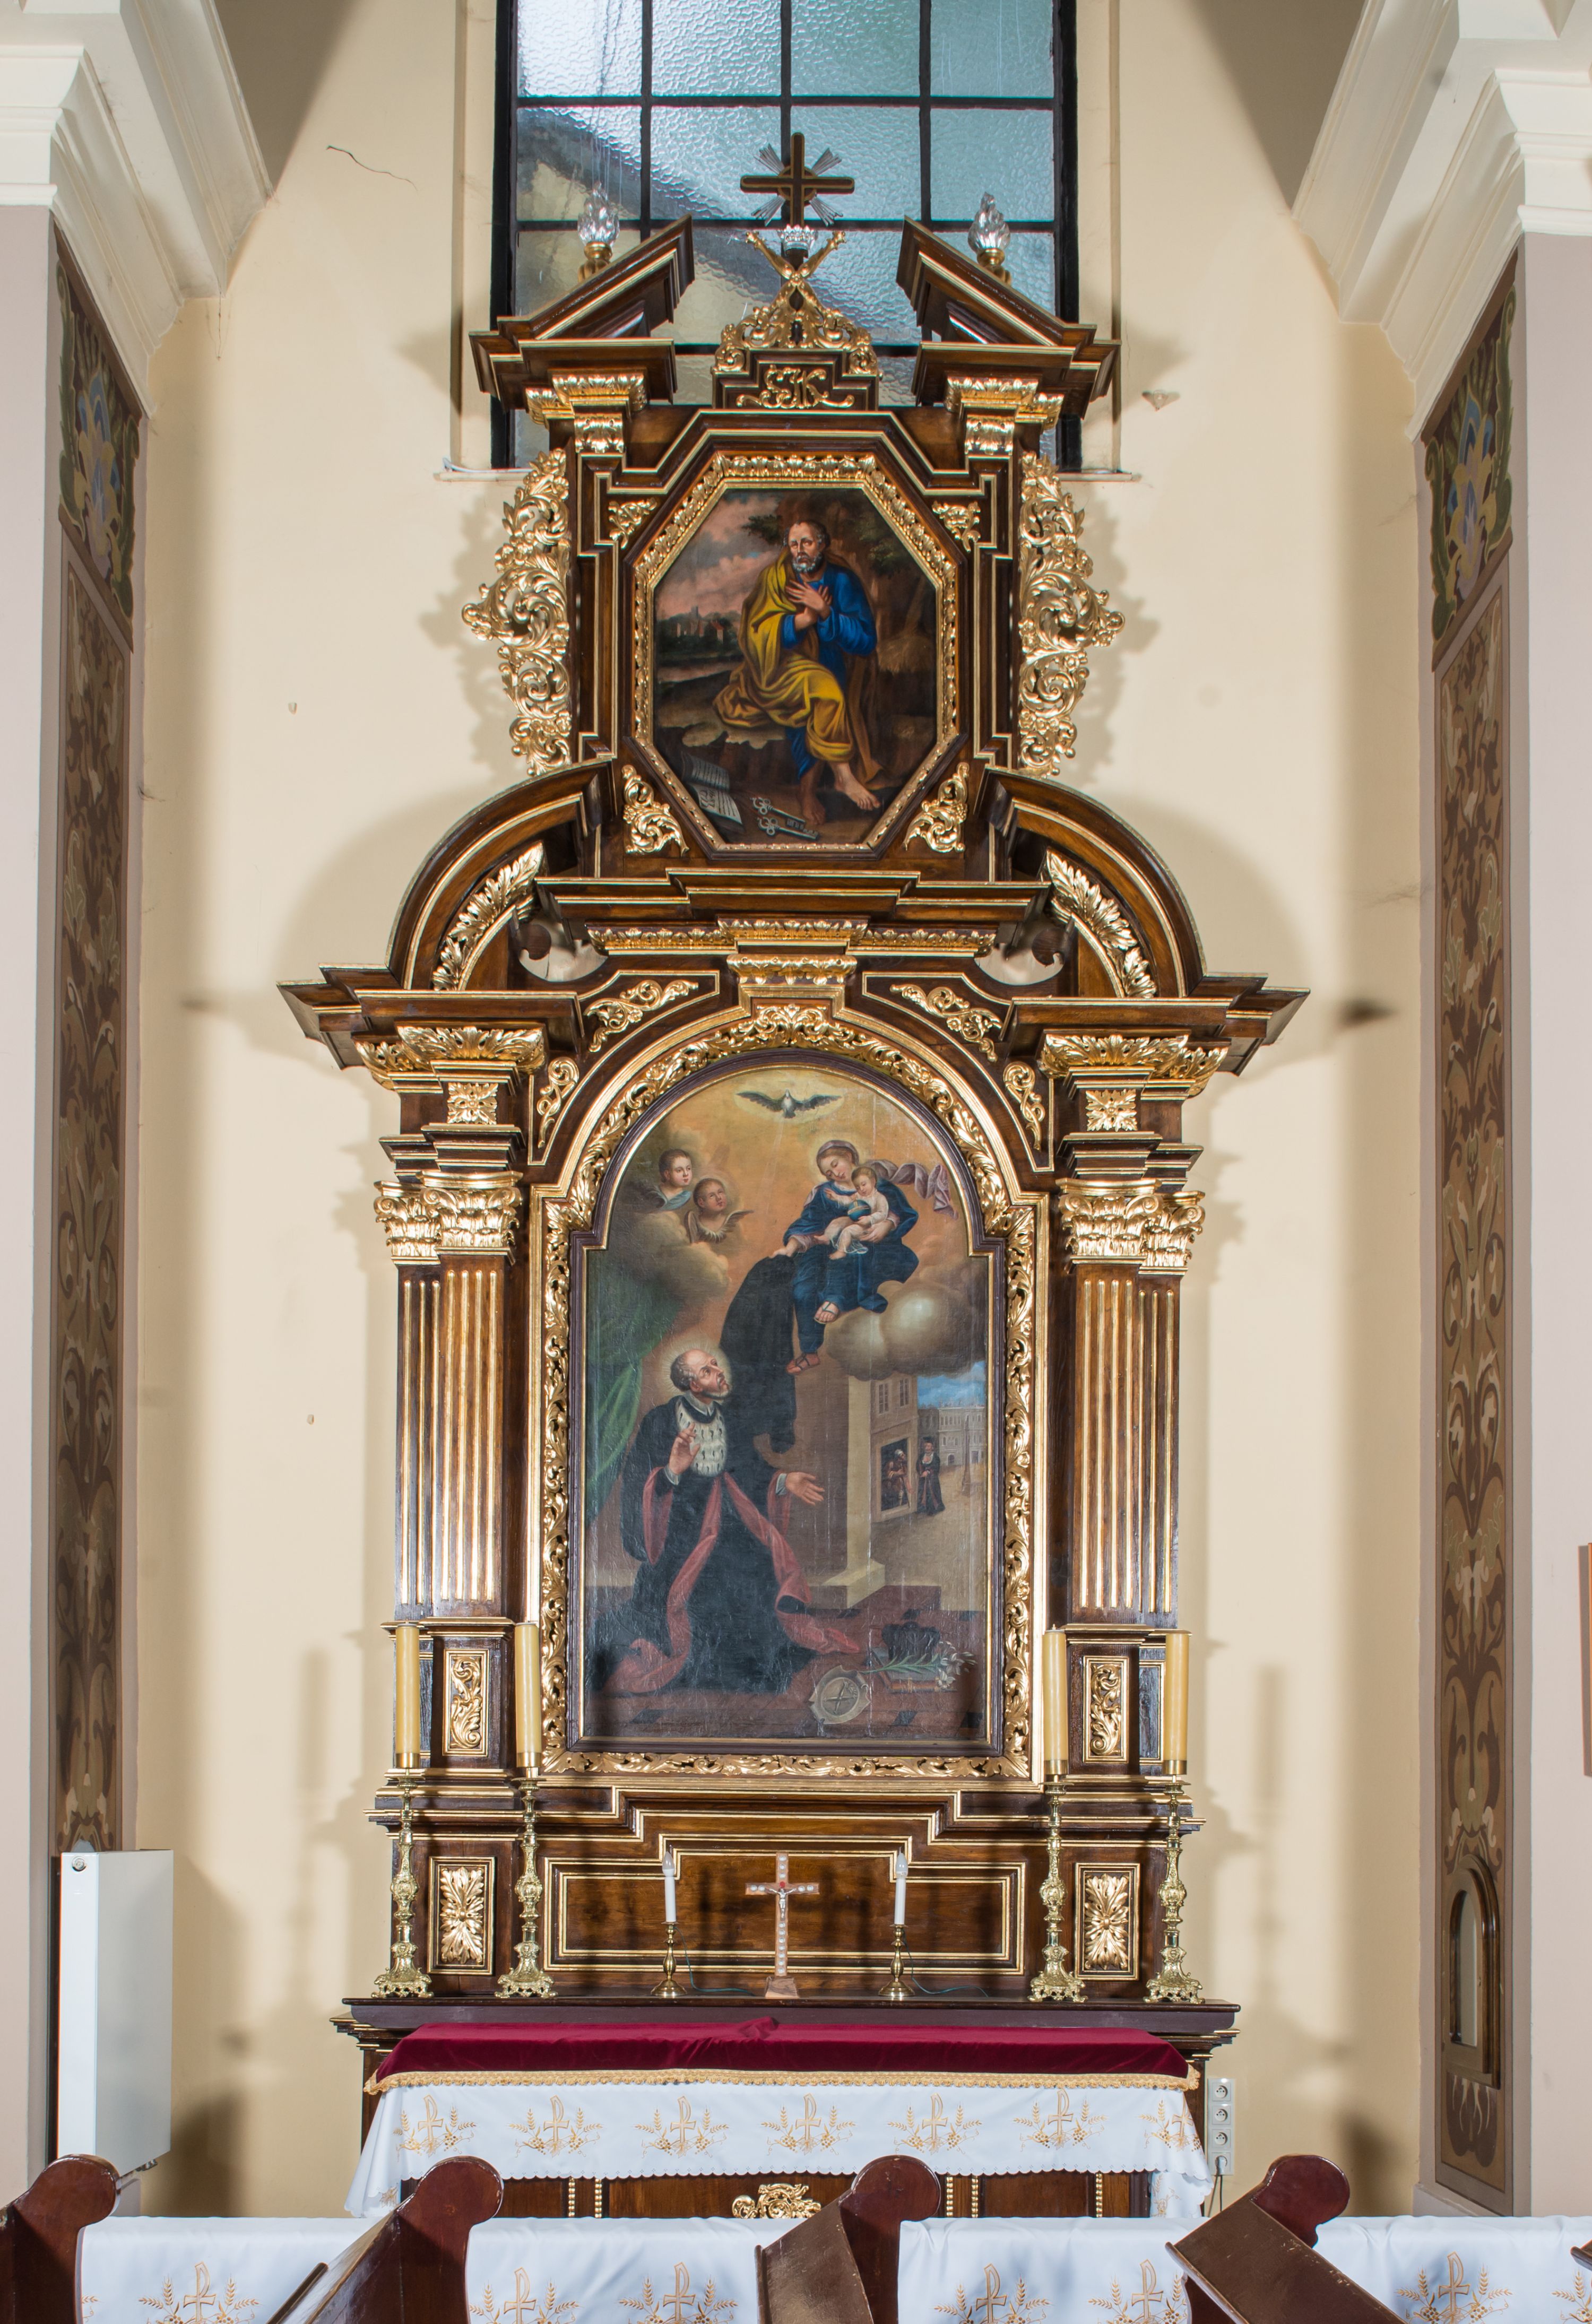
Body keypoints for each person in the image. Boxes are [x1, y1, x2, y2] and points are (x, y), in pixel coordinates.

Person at [607, 1348, 855, 1696]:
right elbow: (640, 1485)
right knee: (701, 1591)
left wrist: (785, 1481)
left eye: (715, 1364)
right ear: (693, 1384)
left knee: (756, 1571)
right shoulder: (660, 1422)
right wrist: (672, 1472)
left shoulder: (729, 1420)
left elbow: (751, 1470)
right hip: (681, 1536)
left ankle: (754, 1661)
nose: (718, 1371)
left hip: (731, 1525)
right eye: (707, 1370)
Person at [714, 517, 880, 821]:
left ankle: (813, 789)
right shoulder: (775, 578)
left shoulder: (842, 581)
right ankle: (827, 784)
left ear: (822, 544)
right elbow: (754, 633)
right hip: (778, 668)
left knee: (824, 689)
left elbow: (866, 641)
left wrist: (826, 612)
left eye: (807, 542)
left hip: (829, 664)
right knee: (820, 691)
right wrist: (801, 622)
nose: (800, 550)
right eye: (794, 544)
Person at [781, 1141, 919, 1372]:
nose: (835, 1173)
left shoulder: (877, 1184)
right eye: (828, 1172)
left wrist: (887, 1224)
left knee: (848, 1257)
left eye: (836, 1164)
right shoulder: (825, 1194)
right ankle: (810, 1352)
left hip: (871, 1245)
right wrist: (791, 1247)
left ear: (848, 1156)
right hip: (826, 1246)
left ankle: (835, 1300)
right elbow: (808, 1223)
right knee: (803, 1289)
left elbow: (901, 1213)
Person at [821, 1164, 894, 1259]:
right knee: (838, 1221)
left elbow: (883, 1214)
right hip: (856, 1221)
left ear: (873, 1181)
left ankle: (841, 1251)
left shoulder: (880, 1198)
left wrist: (869, 1219)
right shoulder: (858, 1196)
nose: (861, 1189)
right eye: (858, 1187)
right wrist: (837, 1198)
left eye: (864, 1185)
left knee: (848, 1231)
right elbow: (849, 1200)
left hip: (869, 1226)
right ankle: (827, 1237)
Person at [685, 1177, 752, 1246]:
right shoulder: (695, 1222)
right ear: (701, 1203)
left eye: (720, 1192)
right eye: (712, 1196)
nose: (719, 1198)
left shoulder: (733, 1222)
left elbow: (742, 1246)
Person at [916, 1435, 945, 1516]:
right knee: (922, 1492)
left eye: (928, 1446)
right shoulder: (921, 1456)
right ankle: (922, 1509)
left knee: (932, 1493)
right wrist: (921, 1472)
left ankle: (932, 1510)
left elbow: (937, 1469)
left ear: (932, 1447)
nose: (927, 1448)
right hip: (923, 1479)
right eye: (925, 1446)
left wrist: (928, 1472)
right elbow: (918, 1466)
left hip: (932, 1479)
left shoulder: (935, 1457)